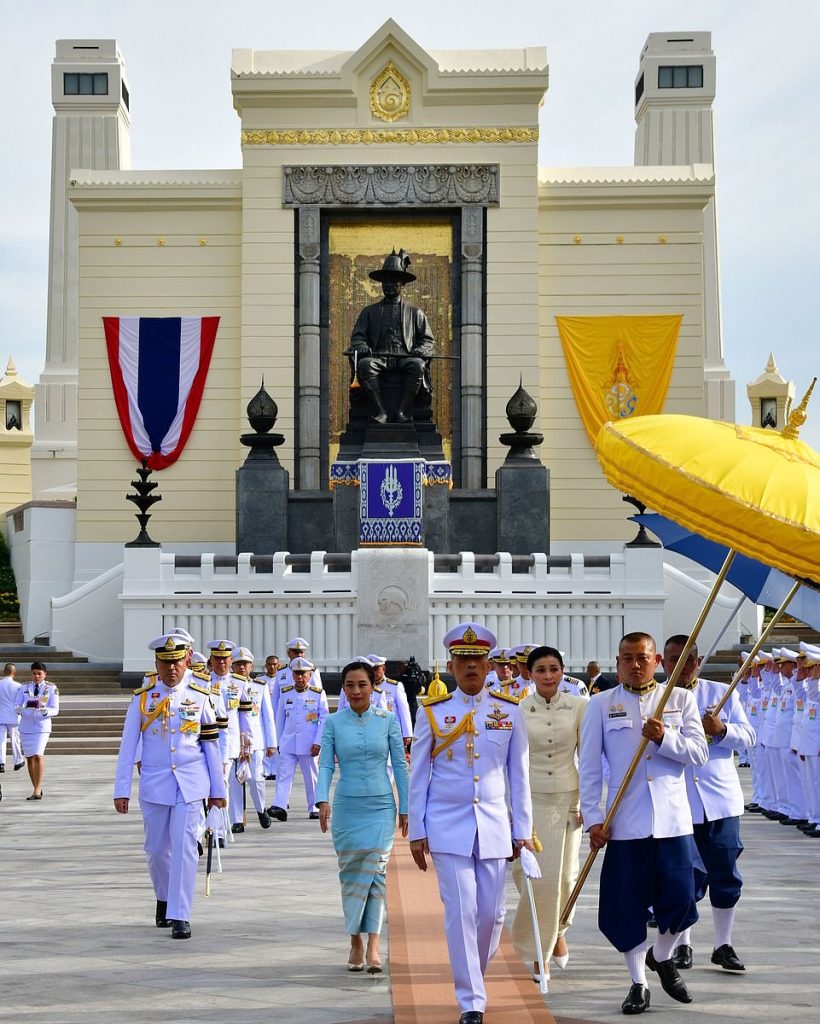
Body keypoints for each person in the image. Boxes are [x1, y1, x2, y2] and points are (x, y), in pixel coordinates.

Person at [409, 622, 533, 1024]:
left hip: (495, 823)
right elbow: (419, 774)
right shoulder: (433, 712)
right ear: (451, 665)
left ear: (489, 663)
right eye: (463, 662)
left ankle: (473, 977)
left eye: (477, 660)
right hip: (447, 823)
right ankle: (472, 1001)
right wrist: (417, 830)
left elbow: (520, 775)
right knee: (460, 910)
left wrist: (523, 831)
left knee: (492, 915)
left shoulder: (510, 711)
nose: (471, 668)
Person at [579, 631, 708, 1016]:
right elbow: (588, 768)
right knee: (625, 906)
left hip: (672, 821)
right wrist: (594, 819)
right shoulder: (601, 704)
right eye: (627, 658)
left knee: (683, 897)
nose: (635, 664)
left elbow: (699, 753)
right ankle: (638, 981)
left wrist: (665, 737)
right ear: (617, 662)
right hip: (626, 822)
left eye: (642, 657)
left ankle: (662, 954)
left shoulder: (680, 700)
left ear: (656, 662)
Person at [113, 633, 227, 938]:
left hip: (191, 784)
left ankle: (180, 914)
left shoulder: (201, 694)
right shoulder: (143, 697)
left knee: (185, 847)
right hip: (155, 783)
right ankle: (163, 897)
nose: (172, 669)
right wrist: (121, 789)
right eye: (165, 663)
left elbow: (211, 746)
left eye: (176, 662)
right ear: (156, 664)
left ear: (187, 659)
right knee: (156, 850)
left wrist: (218, 792)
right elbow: (128, 746)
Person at [662, 635, 756, 973]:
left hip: (719, 801)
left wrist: (721, 729)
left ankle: (722, 943)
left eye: (689, 660)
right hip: (677, 802)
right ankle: (683, 944)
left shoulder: (721, 694)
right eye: (674, 659)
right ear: (663, 662)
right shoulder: (658, 700)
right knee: (684, 879)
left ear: (698, 663)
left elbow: (749, 738)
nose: (682, 666)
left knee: (725, 874)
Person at [316, 660, 409, 973]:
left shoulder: (388, 720)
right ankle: (354, 938)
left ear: (373, 687)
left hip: (381, 807)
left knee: (377, 873)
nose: (356, 691)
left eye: (362, 685)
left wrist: (406, 807)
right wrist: (321, 800)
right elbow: (326, 764)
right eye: (350, 685)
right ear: (343, 688)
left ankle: (373, 945)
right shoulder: (333, 723)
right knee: (352, 875)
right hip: (347, 807)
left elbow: (400, 766)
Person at [510, 646, 587, 986]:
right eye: (540, 670)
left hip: (569, 800)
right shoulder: (517, 710)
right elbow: (509, 763)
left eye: (553, 669)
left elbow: (590, 760)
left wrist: (586, 801)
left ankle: (558, 929)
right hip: (530, 799)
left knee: (567, 877)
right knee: (531, 877)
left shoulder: (580, 707)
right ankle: (541, 949)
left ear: (562, 671)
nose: (547, 676)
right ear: (529, 674)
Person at [350, 249, 435, 425]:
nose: (389, 285)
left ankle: (402, 411)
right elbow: (357, 338)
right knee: (365, 365)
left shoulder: (415, 312)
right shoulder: (369, 312)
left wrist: (420, 349)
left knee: (418, 365)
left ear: (402, 283)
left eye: (394, 281)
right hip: (379, 357)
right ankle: (380, 412)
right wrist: (362, 347)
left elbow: (427, 340)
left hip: (404, 357)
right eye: (386, 281)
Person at [269, 657, 329, 821]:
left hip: (309, 744)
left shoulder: (317, 694)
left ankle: (314, 806)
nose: (300, 678)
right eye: (297, 674)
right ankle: (279, 805)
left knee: (311, 777)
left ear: (309, 675)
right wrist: (277, 741)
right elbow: (280, 718)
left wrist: (318, 741)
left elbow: (323, 719)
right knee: (283, 775)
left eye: (303, 674)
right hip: (288, 742)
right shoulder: (286, 692)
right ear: (292, 675)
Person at [231, 646, 277, 831]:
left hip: (255, 741)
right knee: (235, 781)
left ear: (251, 666)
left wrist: (271, 743)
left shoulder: (259, 687)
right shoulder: (228, 686)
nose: (242, 667)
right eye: (238, 664)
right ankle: (236, 820)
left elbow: (268, 715)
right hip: (234, 741)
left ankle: (260, 808)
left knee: (256, 779)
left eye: (245, 663)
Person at [14, 661, 59, 800]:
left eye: (39, 673)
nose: (37, 676)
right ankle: (36, 787)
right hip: (26, 726)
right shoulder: (24, 687)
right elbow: (16, 705)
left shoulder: (51, 688)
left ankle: (37, 790)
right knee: (30, 758)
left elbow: (55, 709)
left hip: (42, 726)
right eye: (34, 673)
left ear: (44, 674)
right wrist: (24, 709)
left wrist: (44, 711)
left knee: (38, 755)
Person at [0, 663, 24, 791]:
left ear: (3, 672)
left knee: (0, 741)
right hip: (13, 716)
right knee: (15, 739)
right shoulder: (18, 686)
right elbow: (21, 702)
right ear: (14, 673)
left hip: (0, 715)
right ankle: (18, 761)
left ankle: (1, 763)